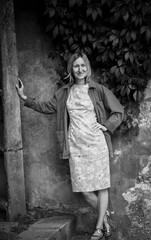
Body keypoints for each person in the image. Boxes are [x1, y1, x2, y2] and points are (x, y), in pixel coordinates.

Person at [16, 52, 124, 240]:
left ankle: (99, 228)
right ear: (71, 69)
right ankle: (104, 216)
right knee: (84, 190)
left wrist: (106, 126)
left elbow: (119, 111)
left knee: (102, 186)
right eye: (76, 66)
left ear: (87, 68)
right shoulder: (64, 92)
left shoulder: (98, 89)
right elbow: (47, 106)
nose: (80, 69)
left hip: (97, 143)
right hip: (75, 144)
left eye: (83, 65)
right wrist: (24, 97)